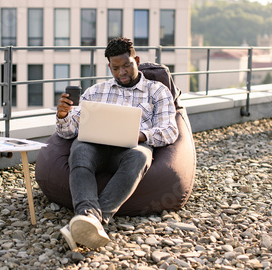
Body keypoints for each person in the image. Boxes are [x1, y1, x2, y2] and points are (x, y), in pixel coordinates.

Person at [55, 37, 179, 250]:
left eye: (127, 65)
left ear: (136, 60)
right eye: (115, 68)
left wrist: (138, 135)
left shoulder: (157, 91)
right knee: (80, 149)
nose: (122, 72)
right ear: (109, 67)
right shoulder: (95, 91)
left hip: (131, 148)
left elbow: (170, 131)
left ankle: (89, 220)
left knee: (140, 156)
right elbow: (69, 132)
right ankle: (92, 220)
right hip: (95, 148)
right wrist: (63, 115)